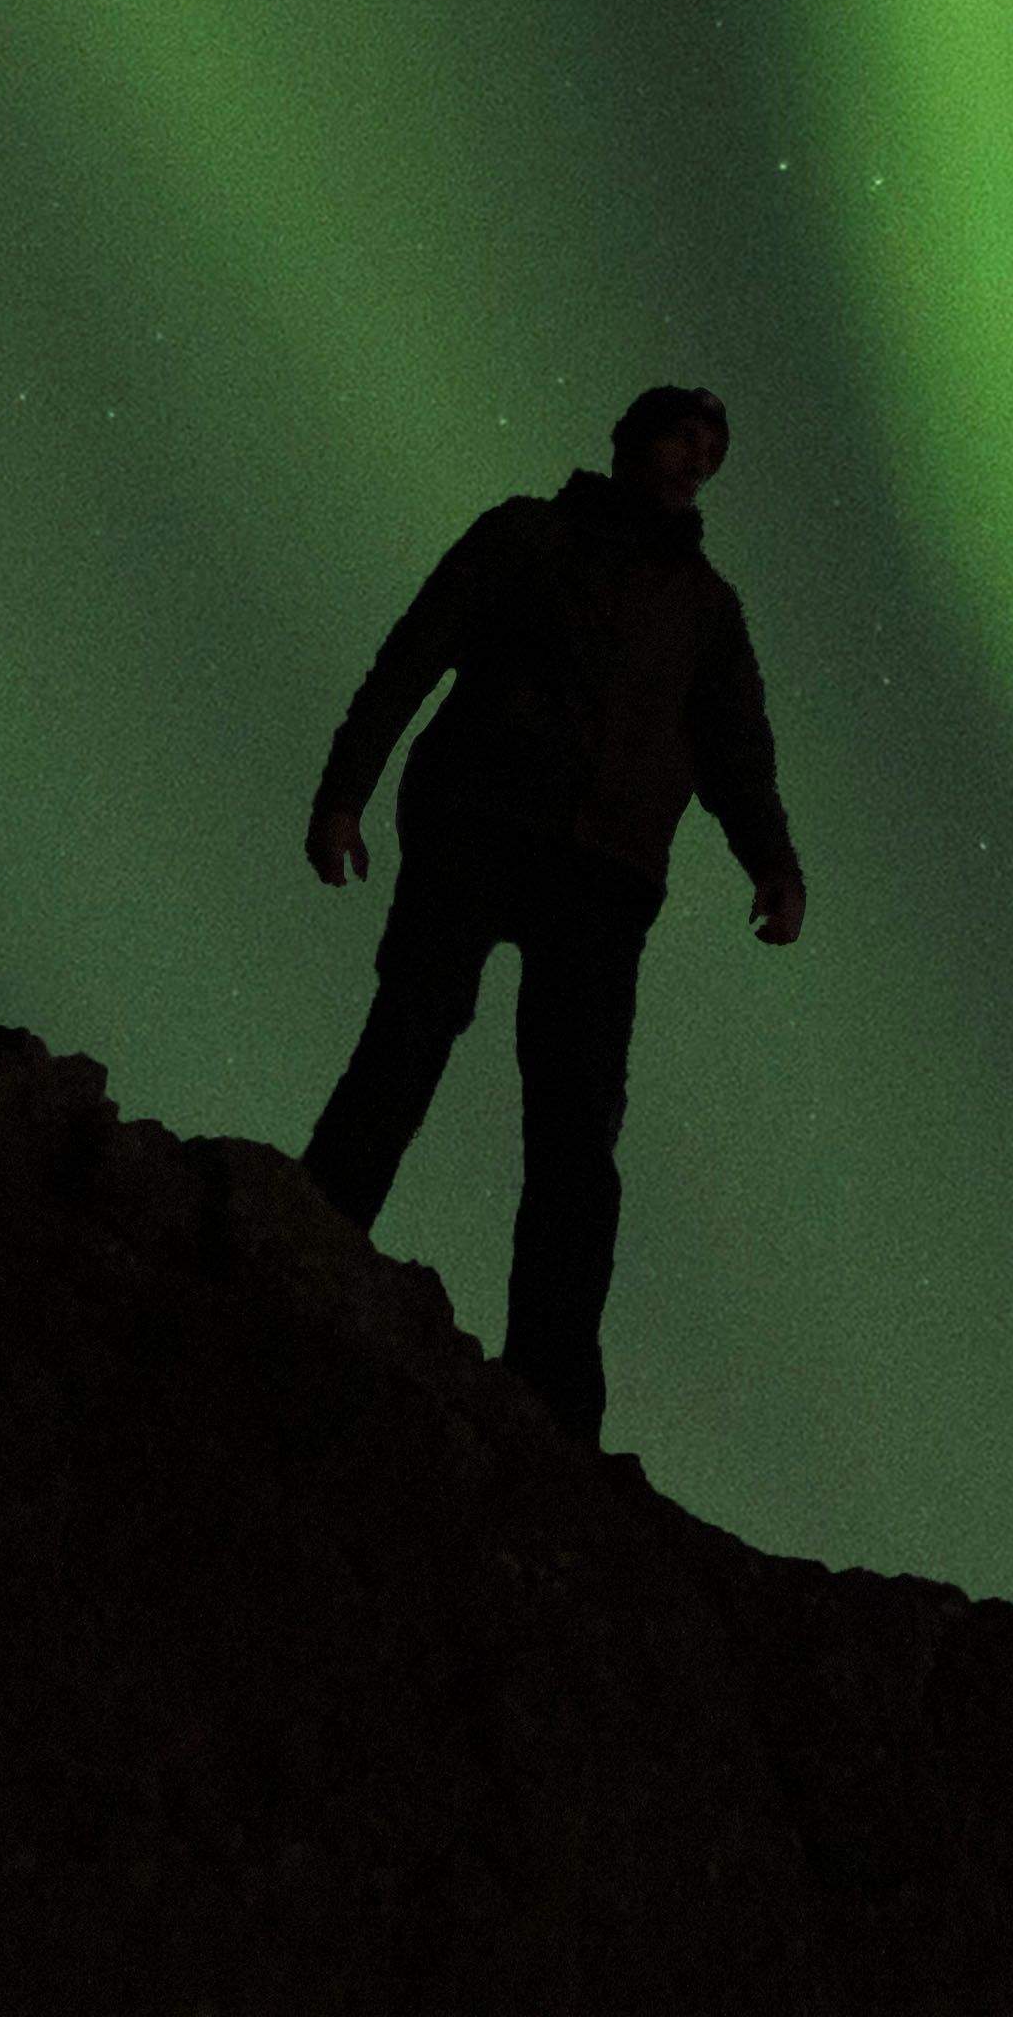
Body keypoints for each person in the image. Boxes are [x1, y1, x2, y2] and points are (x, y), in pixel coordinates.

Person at [294, 382, 808, 1447]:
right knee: (409, 1035)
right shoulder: (524, 536)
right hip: (479, 824)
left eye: (709, 449)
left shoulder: (707, 610)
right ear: (630, 442)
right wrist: (344, 789)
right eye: (679, 437)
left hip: (604, 874)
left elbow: (733, 746)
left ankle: (554, 1399)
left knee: (575, 1129)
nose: (692, 462)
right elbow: (413, 655)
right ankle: (303, 1250)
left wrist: (772, 857)